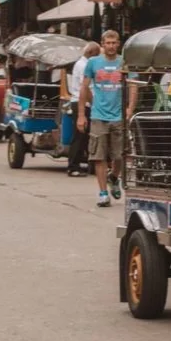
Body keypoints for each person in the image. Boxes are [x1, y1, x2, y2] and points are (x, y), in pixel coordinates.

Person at [77, 30, 125, 208]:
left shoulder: (124, 62)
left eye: (114, 42)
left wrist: (129, 109)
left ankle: (114, 177)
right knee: (99, 156)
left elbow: (133, 86)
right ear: (102, 44)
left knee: (119, 155)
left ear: (118, 44)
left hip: (119, 116)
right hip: (98, 116)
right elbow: (84, 88)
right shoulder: (93, 63)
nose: (111, 46)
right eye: (108, 43)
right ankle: (103, 192)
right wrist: (82, 114)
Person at [67, 41, 100, 177]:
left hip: (82, 102)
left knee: (86, 136)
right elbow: (85, 88)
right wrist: (94, 104)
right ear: (91, 54)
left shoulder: (82, 63)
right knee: (79, 136)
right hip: (82, 103)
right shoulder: (84, 65)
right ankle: (73, 166)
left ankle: (87, 164)